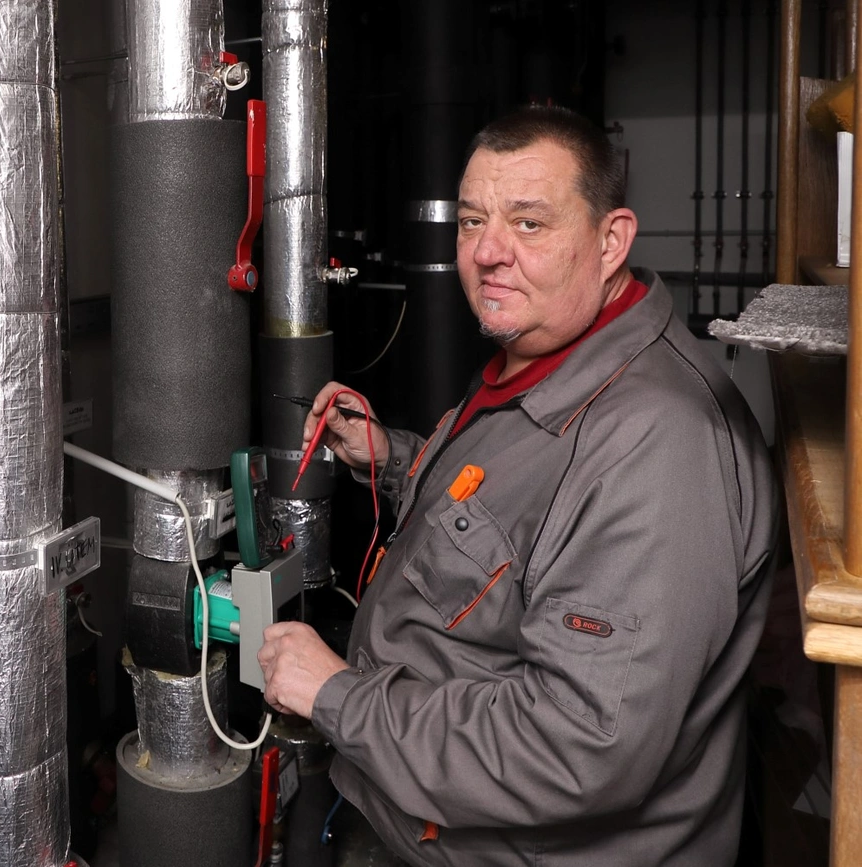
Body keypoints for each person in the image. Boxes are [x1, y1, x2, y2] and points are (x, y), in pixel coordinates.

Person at [256, 106, 777, 866]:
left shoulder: (658, 447)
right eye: (472, 221)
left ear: (611, 241)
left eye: (529, 224)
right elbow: (521, 526)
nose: (488, 253)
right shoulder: (552, 349)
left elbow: (575, 748)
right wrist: (393, 460)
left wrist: (338, 695)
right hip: (424, 810)